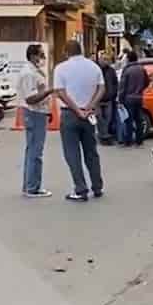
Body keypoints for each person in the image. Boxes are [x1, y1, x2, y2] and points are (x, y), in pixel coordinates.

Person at [53, 40, 106, 202]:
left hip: (70, 114)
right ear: (81, 50)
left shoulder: (61, 68)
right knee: (91, 152)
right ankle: (97, 187)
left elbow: (60, 92)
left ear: (66, 52)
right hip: (89, 114)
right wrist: (90, 106)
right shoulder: (93, 67)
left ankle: (80, 189)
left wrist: (76, 110)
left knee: (72, 153)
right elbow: (102, 88)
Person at [16, 44, 55, 198]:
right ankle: (33, 187)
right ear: (33, 56)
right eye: (41, 55)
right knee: (36, 152)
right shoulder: (28, 74)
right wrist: (49, 91)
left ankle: (28, 185)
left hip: (39, 112)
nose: (43, 58)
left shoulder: (33, 71)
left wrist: (48, 110)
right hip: (34, 113)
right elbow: (31, 98)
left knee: (32, 150)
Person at [118, 51, 149, 147]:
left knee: (129, 120)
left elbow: (122, 86)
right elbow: (146, 82)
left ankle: (128, 141)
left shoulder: (127, 70)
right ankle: (139, 141)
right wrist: (140, 90)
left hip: (128, 98)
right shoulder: (142, 69)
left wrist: (120, 99)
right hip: (139, 97)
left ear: (128, 59)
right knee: (139, 119)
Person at [97, 54, 119, 146]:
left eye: (107, 59)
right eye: (104, 59)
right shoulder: (96, 70)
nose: (106, 61)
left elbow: (115, 83)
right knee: (100, 119)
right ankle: (103, 136)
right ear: (100, 60)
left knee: (108, 119)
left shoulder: (111, 70)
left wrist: (113, 93)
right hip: (97, 100)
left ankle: (104, 135)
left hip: (108, 99)